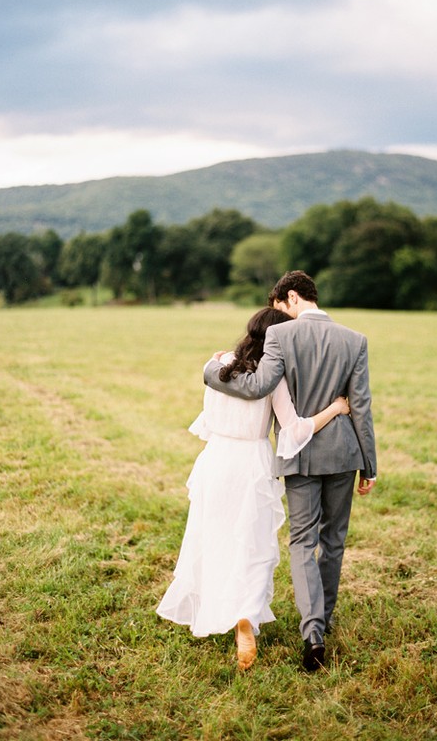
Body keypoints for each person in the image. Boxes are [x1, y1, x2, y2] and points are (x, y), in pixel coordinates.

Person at [156, 306, 350, 671]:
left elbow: (207, 422)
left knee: (214, 540)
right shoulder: (272, 377)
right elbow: (293, 430)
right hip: (251, 464)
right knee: (254, 546)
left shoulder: (219, 365)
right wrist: (336, 409)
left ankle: (220, 608)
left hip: (215, 460)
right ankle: (245, 614)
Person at [203, 271, 377, 671]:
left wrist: (212, 370)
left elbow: (255, 386)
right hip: (344, 453)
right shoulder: (355, 340)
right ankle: (324, 622)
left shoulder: (281, 337)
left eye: (279, 306)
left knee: (302, 541)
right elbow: (361, 407)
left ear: (291, 297)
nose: (277, 316)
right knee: (334, 539)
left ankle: (312, 632)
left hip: (299, 456)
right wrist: (370, 464)